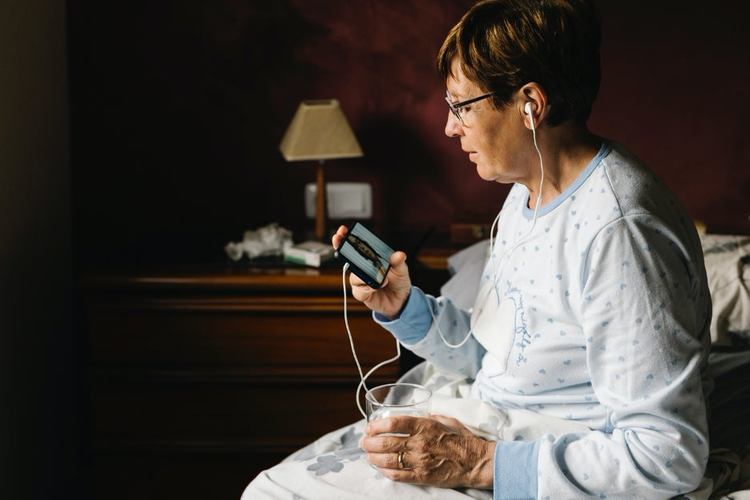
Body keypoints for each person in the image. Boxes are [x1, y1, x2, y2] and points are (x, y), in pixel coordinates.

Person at [242, 0, 712, 498]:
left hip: (535, 453)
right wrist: (405, 306)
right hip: (495, 420)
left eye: (461, 106)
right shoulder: (526, 193)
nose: (450, 126)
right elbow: (501, 357)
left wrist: (474, 462)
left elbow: (667, 454)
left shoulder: (618, 231)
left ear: (531, 103)